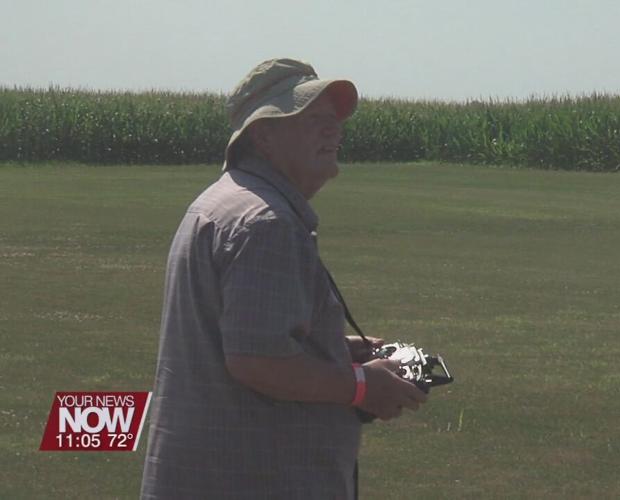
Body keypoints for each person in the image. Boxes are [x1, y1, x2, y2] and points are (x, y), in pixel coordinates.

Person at [141, 58, 427, 499]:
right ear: (264, 134)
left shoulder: (227, 202)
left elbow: (243, 336)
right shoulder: (265, 222)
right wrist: (364, 386)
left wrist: (338, 346)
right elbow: (258, 361)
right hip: (252, 479)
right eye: (314, 119)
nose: (333, 130)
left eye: (334, 120)